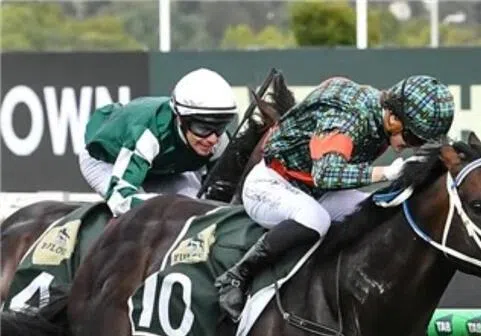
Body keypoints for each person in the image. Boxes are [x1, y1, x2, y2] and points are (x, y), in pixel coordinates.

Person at [214, 74, 456, 322]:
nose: (411, 146)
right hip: (271, 185)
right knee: (315, 219)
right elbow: (325, 174)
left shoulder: (382, 112)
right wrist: (385, 173)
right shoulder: (349, 116)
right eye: (414, 138)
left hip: (313, 190)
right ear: (393, 118)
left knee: (374, 211)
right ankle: (236, 276)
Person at [80, 68, 238, 217]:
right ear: (180, 119)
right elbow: (120, 199)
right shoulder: (148, 134)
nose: (212, 139)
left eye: (220, 126)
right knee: (148, 215)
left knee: (194, 207)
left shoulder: (219, 139)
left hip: (163, 167)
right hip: (108, 160)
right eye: (202, 127)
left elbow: (221, 196)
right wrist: (167, 205)